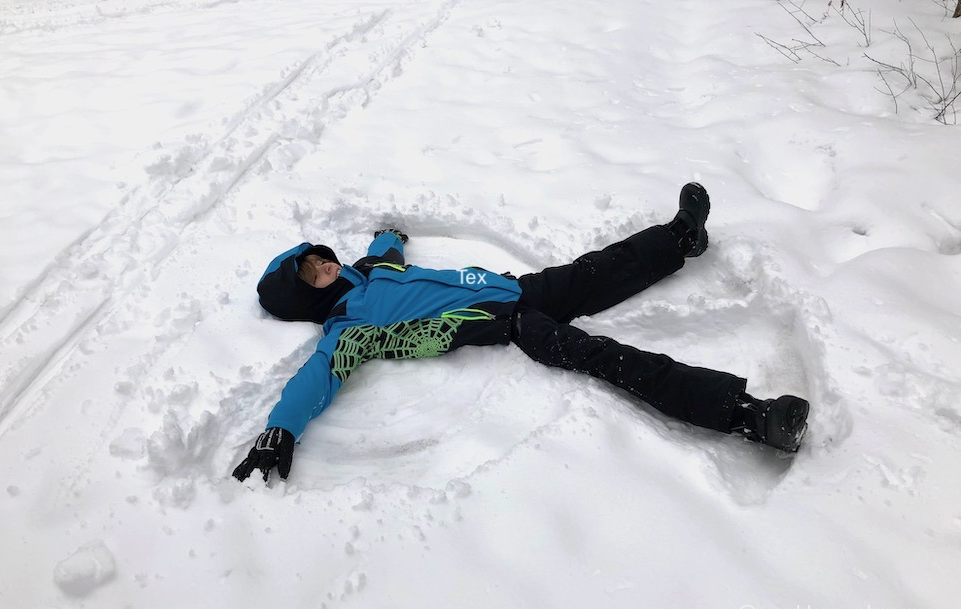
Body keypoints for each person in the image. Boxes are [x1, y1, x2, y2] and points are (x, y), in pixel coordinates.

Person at [232, 184, 810, 483]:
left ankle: (679, 238)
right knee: (613, 358)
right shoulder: (346, 327)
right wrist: (279, 429)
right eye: (309, 276)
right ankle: (749, 415)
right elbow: (315, 379)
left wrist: (389, 234)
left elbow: (387, 242)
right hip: (510, 325)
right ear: (305, 298)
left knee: (597, 270)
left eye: (318, 260)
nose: (323, 270)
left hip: (515, 289)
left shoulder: (373, 266)